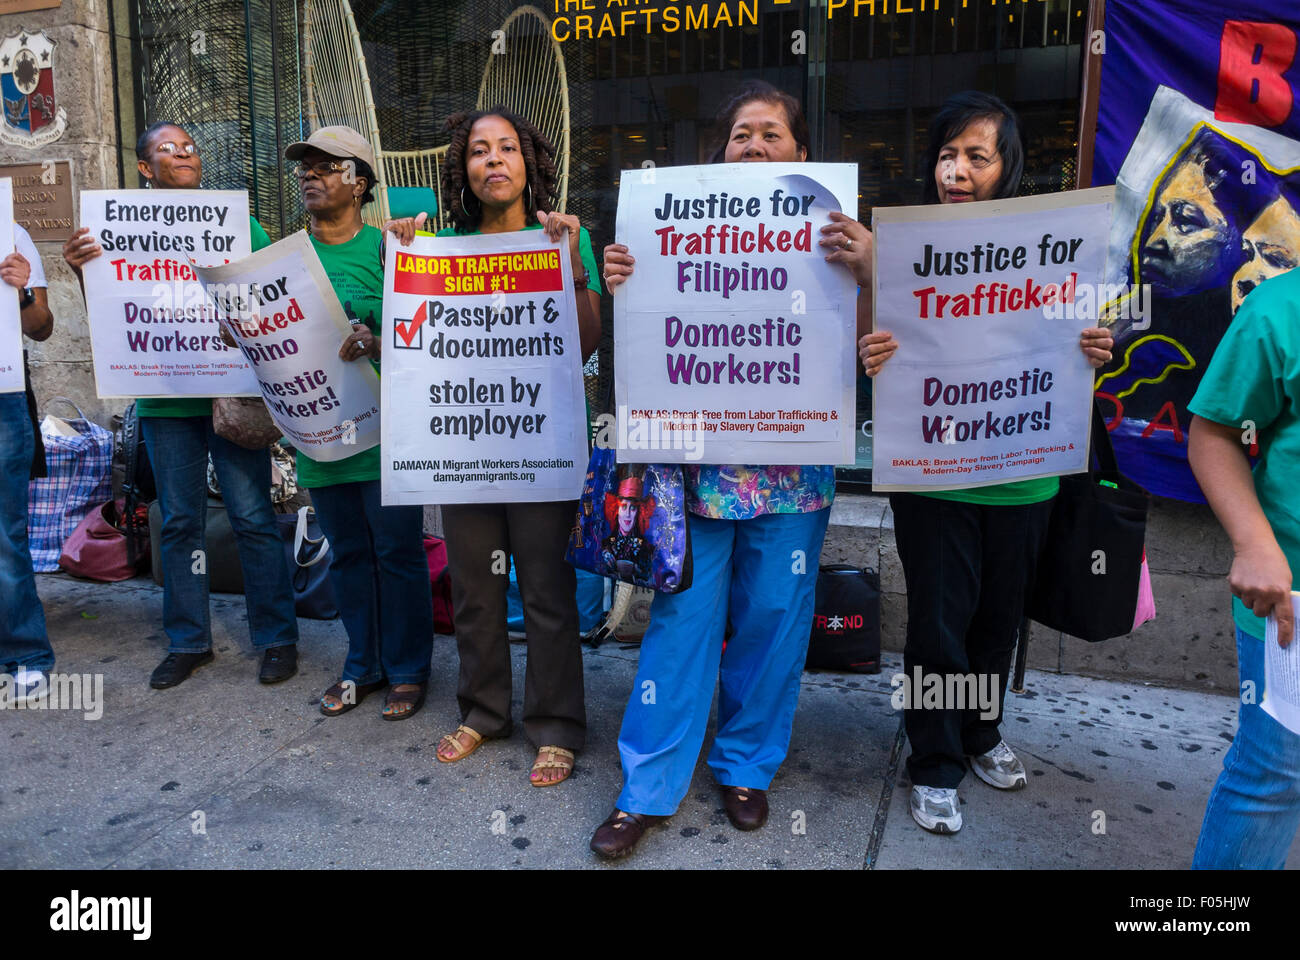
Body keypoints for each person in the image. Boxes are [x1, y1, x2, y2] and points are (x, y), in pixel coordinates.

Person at [588, 80, 874, 858]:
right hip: (693, 473)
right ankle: (646, 787)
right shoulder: (669, 226)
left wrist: (873, 272)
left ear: (801, 153)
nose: (754, 146)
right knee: (679, 626)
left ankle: (746, 765)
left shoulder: (842, 239)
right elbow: (644, 342)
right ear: (719, 154)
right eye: (741, 134)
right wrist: (627, 280)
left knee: (775, 620)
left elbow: (881, 346)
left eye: (772, 134)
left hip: (793, 469)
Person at [860, 91, 1113, 835]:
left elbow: (1090, 337)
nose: (957, 168)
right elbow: (869, 346)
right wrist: (870, 349)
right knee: (938, 626)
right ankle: (934, 763)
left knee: (997, 625)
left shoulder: (1052, 246)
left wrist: (1102, 347)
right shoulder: (904, 248)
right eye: (947, 153)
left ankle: (980, 731)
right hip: (933, 476)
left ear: (1008, 167)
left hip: (1025, 475)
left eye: (977, 154)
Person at [388, 107, 600, 786]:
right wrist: (401, 259)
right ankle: (483, 711)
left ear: (530, 163)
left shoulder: (563, 235)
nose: (494, 161)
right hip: (463, 444)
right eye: (479, 151)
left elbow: (587, 342)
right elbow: (412, 344)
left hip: (539, 443)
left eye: (507, 148)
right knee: (477, 587)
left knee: (545, 587)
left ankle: (557, 724)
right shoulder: (438, 246)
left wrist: (570, 266)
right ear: (463, 169)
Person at [62, 122, 299, 690]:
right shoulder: (114, 232)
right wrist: (82, 270)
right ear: (145, 169)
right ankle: (189, 640)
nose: (183, 153)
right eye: (167, 149)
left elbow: (277, 288)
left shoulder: (239, 223)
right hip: (167, 401)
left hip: (232, 395)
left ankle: (277, 638)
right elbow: (116, 318)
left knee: (252, 516)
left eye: (190, 145)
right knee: (180, 522)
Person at [286, 125, 436, 721]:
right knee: (347, 554)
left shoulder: (389, 250)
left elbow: (428, 334)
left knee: (397, 553)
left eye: (328, 166)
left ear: (360, 182)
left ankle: (408, 670)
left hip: (385, 438)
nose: (311, 175)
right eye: (306, 167)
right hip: (320, 438)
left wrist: (378, 342)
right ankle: (361, 665)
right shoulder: (286, 257)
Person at [1187, 264, 1300, 869]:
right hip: (1291, 600)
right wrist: (1253, 541)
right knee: (1278, 771)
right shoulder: (1280, 308)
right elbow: (1215, 432)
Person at [0, 222, 56, 702]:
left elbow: (42, 327)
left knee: (4, 534)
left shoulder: (9, 232)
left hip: (1, 394)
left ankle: (24, 656)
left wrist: (20, 293)